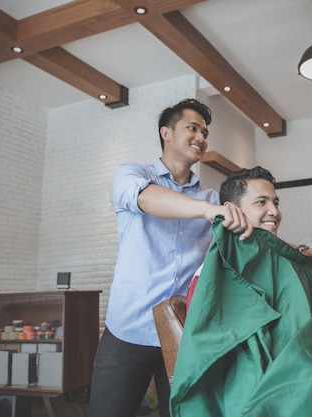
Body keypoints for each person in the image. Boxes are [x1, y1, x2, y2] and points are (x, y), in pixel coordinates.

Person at [87, 98, 253, 417]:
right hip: (128, 330)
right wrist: (208, 211)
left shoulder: (211, 198)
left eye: (205, 132)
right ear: (166, 132)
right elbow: (145, 199)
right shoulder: (133, 174)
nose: (201, 137)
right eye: (192, 128)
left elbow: (244, 244)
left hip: (184, 335)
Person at [185, 166, 312, 310]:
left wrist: (301, 253)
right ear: (230, 209)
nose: (274, 211)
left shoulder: (271, 264)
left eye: (276, 203)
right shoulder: (211, 277)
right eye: (261, 202)